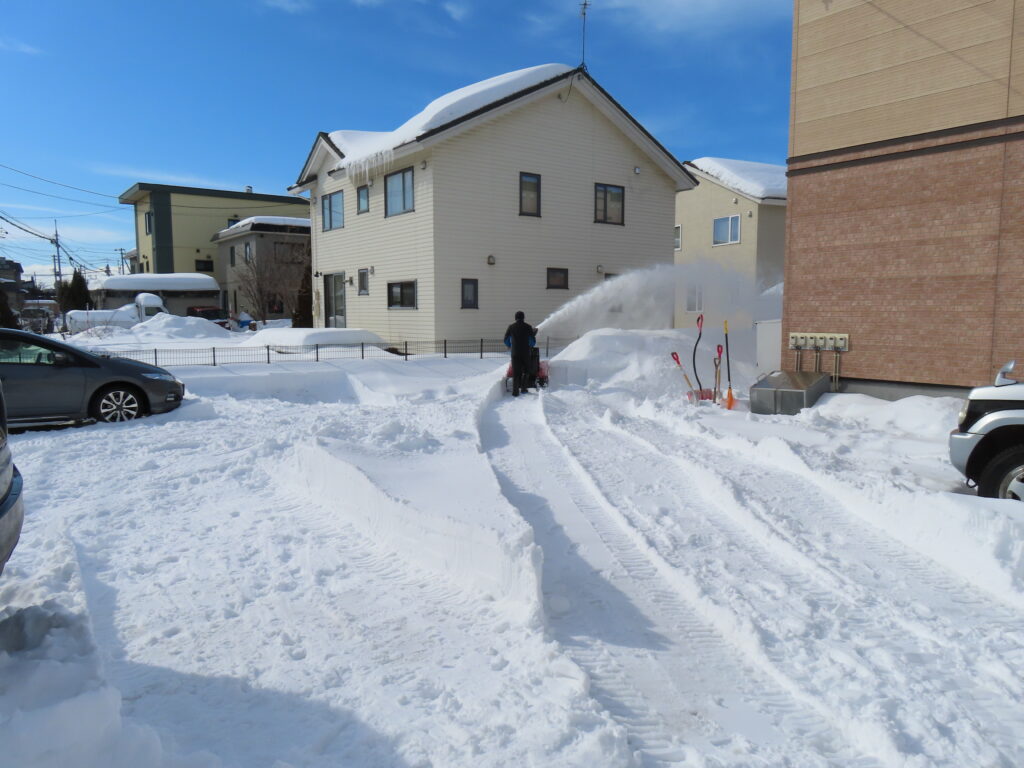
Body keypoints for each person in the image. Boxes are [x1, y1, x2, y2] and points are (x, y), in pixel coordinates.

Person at [504, 310, 537, 397]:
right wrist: (529, 345)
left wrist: (510, 345)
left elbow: (506, 339)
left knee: (516, 372)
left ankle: (515, 392)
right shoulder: (528, 327)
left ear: (515, 318)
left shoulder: (511, 327)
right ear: (523, 318)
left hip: (515, 353)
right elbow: (533, 341)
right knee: (526, 370)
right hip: (526, 353)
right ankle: (523, 389)